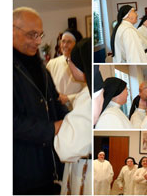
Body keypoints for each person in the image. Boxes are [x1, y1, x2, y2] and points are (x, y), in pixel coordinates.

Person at [13, 7, 69, 194]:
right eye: (31, 35)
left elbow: (54, 103)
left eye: (40, 34)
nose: (38, 41)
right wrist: (52, 128)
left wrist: (72, 120)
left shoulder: (41, 67)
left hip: (50, 166)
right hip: (23, 172)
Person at [53, 38, 92, 195]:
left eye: (70, 60)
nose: (68, 63)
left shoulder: (87, 96)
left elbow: (67, 148)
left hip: (84, 169)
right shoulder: (88, 92)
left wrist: (57, 127)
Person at [46, 29, 85, 109]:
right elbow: (46, 87)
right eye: (63, 41)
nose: (65, 45)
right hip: (56, 109)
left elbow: (87, 92)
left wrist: (68, 98)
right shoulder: (52, 63)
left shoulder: (84, 65)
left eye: (69, 42)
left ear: (76, 44)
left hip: (76, 108)